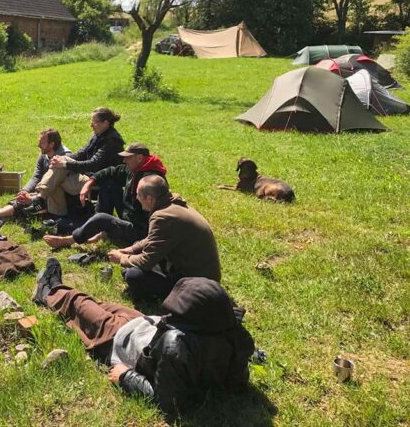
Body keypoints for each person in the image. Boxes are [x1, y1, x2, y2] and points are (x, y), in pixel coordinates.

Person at [32, 259, 255, 416]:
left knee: (78, 304)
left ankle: (48, 290)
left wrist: (125, 376)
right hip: (144, 327)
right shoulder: (231, 334)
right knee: (104, 306)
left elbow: (167, 402)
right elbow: (236, 381)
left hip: (120, 340)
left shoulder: (175, 347)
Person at [107, 175, 222, 301]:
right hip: (201, 273)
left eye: (138, 195)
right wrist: (132, 249)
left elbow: (146, 261)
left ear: (149, 199)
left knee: (134, 275)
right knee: (136, 252)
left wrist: (121, 258)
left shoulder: (162, 217)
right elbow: (154, 238)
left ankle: (153, 298)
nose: (136, 198)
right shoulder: (173, 205)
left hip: (198, 284)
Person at [44, 143, 166, 250]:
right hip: (129, 215)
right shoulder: (135, 169)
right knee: (109, 184)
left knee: (102, 218)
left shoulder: (150, 181)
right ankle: (100, 229)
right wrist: (90, 182)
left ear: (139, 158)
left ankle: (69, 240)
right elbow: (112, 171)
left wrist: (114, 224)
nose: (124, 161)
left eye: (128, 157)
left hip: (139, 229)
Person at [0, 128, 75, 221]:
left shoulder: (65, 158)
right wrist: (25, 190)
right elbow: (37, 175)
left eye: (42, 143)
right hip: (43, 193)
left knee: (28, 203)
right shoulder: (44, 155)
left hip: (58, 197)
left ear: (51, 144)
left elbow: (56, 185)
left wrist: (34, 197)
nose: (38, 145)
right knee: (22, 199)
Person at [35, 107, 125, 217]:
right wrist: (61, 159)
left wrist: (65, 164)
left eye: (94, 122)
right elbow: (81, 154)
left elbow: (93, 165)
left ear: (105, 123)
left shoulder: (112, 142)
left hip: (97, 181)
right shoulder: (98, 136)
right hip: (88, 176)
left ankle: (41, 200)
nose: (91, 125)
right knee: (59, 169)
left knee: (58, 174)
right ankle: (47, 207)